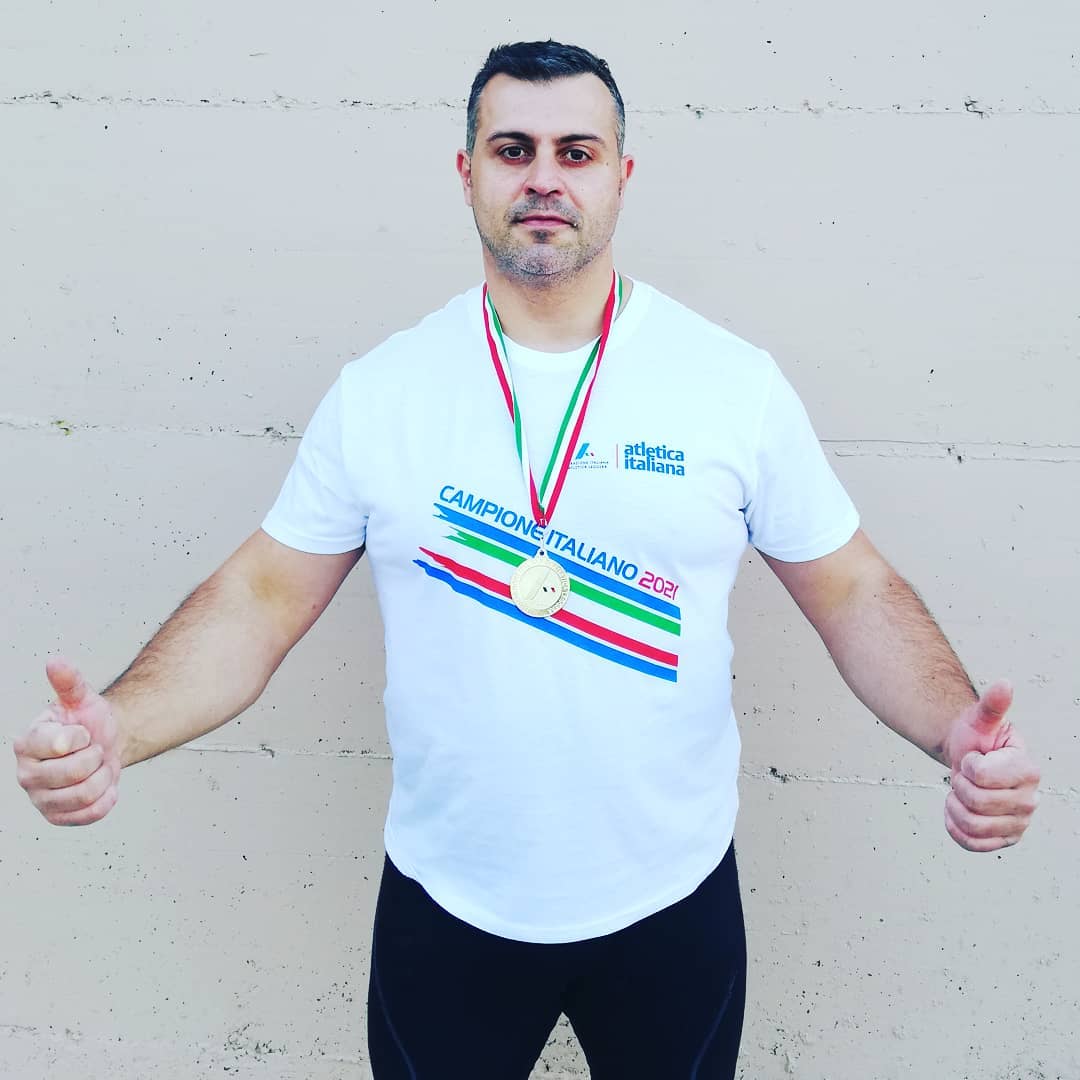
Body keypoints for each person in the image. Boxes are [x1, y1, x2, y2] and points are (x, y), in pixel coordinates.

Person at [13, 40, 1040, 1080]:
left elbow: (852, 588)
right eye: (513, 149)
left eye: (576, 152)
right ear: (467, 173)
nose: (545, 176)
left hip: (670, 898)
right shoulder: (384, 393)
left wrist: (955, 731)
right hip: (449, 901)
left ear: (621, 175)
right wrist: (120, 726)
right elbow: (261, 598)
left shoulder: (731, 385)